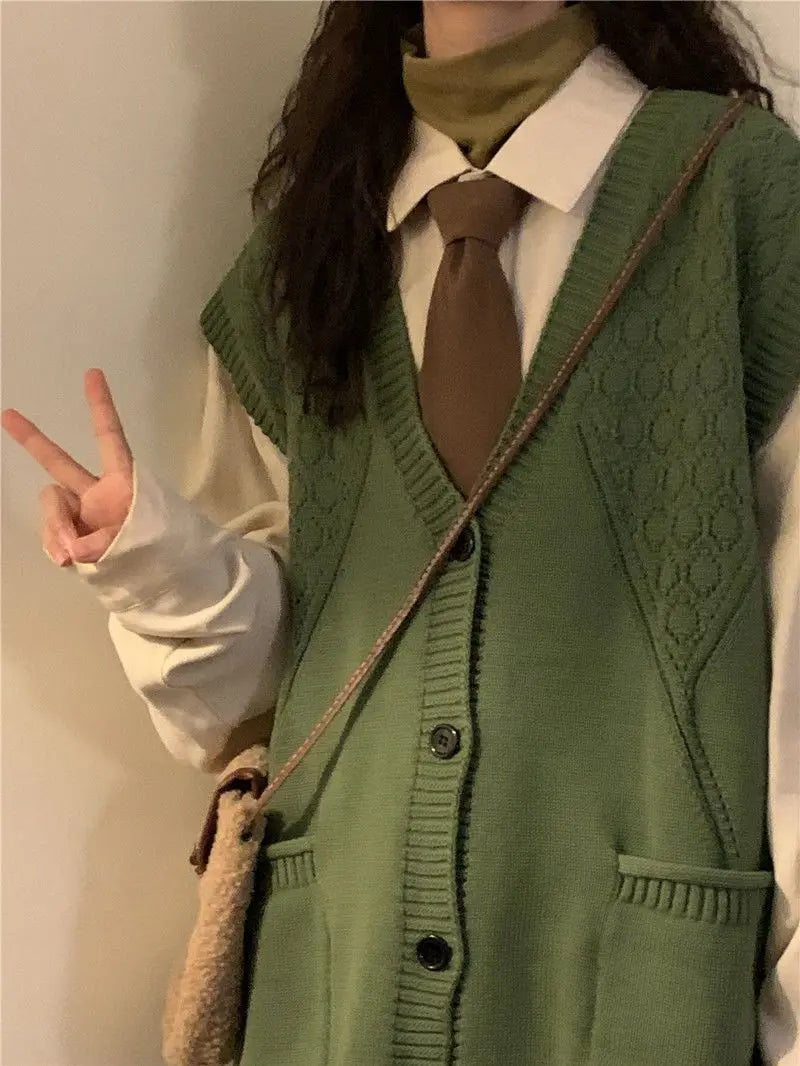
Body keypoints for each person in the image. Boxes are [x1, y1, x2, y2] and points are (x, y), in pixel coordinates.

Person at [3, 2, 799, 1063]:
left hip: (633, 995)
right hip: (332, 989)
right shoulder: (308, 243)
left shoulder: (742, 198)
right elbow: (264, 687)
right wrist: (155, 562)